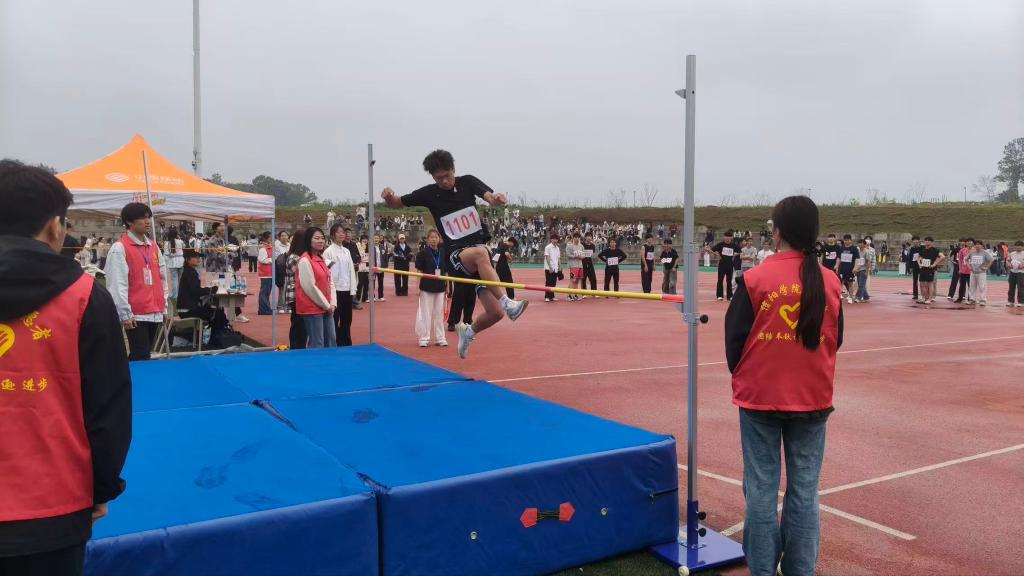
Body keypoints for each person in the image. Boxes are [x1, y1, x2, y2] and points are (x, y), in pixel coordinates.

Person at [0, 161, 131, 575]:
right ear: (55, 226)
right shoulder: (84, 297)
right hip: (52, 506)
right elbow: (108, 407)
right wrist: (102, 485)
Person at [725, 195, 843, 576]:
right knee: (805, 491)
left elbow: (734, 340)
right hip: (812, 398)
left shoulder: (755, 279)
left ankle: (762, 569)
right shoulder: (830, 281)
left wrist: (748, 375)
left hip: (760, 397)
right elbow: (836, 338)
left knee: (761, 490)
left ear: (776, 232)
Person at [381, 150, 527, 359]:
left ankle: (468, 332)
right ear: (433, 177)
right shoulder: (429, 193)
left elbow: (489, 197)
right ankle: (507, 301)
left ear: (453, 169)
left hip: (479, 259)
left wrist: (496, 199)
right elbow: (397, 202)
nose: (444, 181)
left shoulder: (468, 182)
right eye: (438, 178)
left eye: (447, 175)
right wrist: (389, 196)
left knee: (495, 313)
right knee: (481, 253)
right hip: (456, 255)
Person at [104, 202, 168, 361]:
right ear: (129, 222)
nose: (147, 221)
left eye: (148, 217)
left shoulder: (153, 247)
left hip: (155, 310)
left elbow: (162, 278)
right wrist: (125, 313)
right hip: (135, 313)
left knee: (145, 354)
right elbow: (117, 283)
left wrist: (164, 305)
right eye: (142, 218)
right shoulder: (119, 248)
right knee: (140, 354)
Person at [177, 248, 231, 347]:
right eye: (195, 257)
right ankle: (215, 340)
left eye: (199, 257)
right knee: (218, 314)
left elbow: (197, 290)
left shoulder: (190, 271)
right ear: (187, 259)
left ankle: (215, 339)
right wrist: (211, 289)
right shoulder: (189, 272)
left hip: (190, 307)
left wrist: (210, 289)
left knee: (218, 312)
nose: (198, 259)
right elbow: (196, 290)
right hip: (187, 309)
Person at [295, 227, 336, 348]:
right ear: (309, 240)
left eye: (322, 238)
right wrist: (326, 305)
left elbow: (330, 281)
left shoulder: (321, 258)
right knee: (317, 342)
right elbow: (309, 287)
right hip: (312, 308)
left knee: (331, 340)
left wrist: (333, 303)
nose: (321, 241)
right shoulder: (305, 260)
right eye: (317, 238)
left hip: (326, 306)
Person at [323, 224, 357, 346]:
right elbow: (327, 272)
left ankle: (346, 342)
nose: (342, 234)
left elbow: (351, 270)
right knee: (334, 318)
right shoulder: (328, 252)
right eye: (338, 232)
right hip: (335, 290)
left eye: (343, 232)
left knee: (347, 319)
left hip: (347, 289)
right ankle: (335, 342)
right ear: (333, 235)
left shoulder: (346, 251)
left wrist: (353, 288)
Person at [414, 229, 448, 347]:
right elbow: (419, 271)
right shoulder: (422, 253)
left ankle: (440, 338)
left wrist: (447, 285)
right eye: (431, 237)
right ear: (427, 240)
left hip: (440, 287)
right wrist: (418, 287)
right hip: (426, 287)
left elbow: (446, 271)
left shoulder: (443, 253)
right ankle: (424, 338)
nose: (434, 239)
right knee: (426, 313)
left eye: (436, 237)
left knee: (439, 314)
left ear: (439, 239)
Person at [283, 230, 308, 350]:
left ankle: (299, 347)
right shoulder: (294, 257)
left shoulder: (303, 256)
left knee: (302, 325)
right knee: (298, 324)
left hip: (302, 294)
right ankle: (296, 348)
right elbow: (302, 276)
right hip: (296, 294)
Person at [915, 237, 945, 305]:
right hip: (923, 268)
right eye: (925, 240)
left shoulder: (935, 250)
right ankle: (923, 298)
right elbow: (918, 257)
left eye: (928, 240)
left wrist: (934, 264)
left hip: (930, 269)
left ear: (932, 242)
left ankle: (929, 299)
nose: (927, 242)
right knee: (921, 283)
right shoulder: (923, 249)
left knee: (930, 284)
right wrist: (919, 264)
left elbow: (942, 257)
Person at [709, 231, 738, 301]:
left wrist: (735, 255)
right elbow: (711, 250)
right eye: (726, 236)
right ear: (724, 237)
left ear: (731, 237)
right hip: (722, 265)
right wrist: (717, 254)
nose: (727, 238)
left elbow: (740, 251)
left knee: (729, 281)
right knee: (720, 280)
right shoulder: (720, 244)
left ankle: (729, 296)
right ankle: (719, 295)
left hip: (730, 265)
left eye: (729, 237)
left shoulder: (734, 245)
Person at [967, 240, 994, 306]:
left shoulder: (984, 253)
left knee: (982, 287)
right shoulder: (972, 253)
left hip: (981, 273)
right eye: (976, 244)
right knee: (972, 286)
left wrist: (987, 267)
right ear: (974, 246)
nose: (977, 246)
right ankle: (972, 299)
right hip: (973, 272)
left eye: (979, 244)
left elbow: (991, 260)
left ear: (982, 246)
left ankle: (982, 300)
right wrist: (969, 266)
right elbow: (966, 259)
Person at [837, 234, 859, 305]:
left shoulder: (854, 249)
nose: (846, 241)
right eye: (845, 240)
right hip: (842, 269)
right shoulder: (841, 248)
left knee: (850, 283)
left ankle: (850, 297)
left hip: (850, 269)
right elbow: (838, 258)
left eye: (848, 240)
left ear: (851, 240)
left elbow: (857, 259)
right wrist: (837, 266)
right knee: (839, 283)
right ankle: (838, 296)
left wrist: (855, 267)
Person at [256, 232, 274, 315]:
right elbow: (262, 260)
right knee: (264, 292)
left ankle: (265, 308)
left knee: (266, 292)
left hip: (269, 273)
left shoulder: (269, 247)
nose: (272, 238)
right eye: (270, 237)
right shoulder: (263, 249)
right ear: (266, 238)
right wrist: (273, 259)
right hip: (266, 273)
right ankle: (264, 309)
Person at [165, 227, 185, 299]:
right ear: (176, 234)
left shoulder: (167, 243)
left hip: (172, 262)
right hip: (181, 261)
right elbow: (184, 247)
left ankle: (175, 295)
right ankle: (181, 294)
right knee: (180, 279)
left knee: (174, 279)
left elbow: (166, 253)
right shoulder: (180, 241)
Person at [565, 233, 584, 301]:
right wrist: (575, 256)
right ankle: (569, 295)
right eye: (575, 237)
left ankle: (575, 295)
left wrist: (581, 257)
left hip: (580, 266)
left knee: (577, 280)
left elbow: (583, 255)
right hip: (573, 266)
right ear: (573, 238)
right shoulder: (570, 246)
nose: (577, 238)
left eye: (578, 237)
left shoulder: (581, 246)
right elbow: (568, 255)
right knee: (572, 280)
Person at [543, 233, 561, 302]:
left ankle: (552, 296)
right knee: (548, 282)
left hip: (555, 268)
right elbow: (547, 257)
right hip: (548, 268)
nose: (555, 240)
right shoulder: (548, 247)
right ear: (551, 240)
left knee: (553, 283)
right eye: (554, 239)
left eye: (556, 239)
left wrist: (560, 266)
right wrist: (550, 267)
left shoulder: (557, 248)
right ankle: (547, 296)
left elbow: (558, 258)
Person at [853, 238, 872, 303]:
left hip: (863, 270)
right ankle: (866, 297)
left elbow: (868, 262)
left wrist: (867, 271)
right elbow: (856, 260)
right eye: (859, 243)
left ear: (864, 244)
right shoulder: (857, 251)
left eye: (861, 243)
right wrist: (855, 269)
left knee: (861, 284)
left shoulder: (867, 252)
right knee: (860, 284)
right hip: (858, 269)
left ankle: (858, 297)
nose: (860, 244)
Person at [1007, 240, 1024, 307]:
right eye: (1017, 246)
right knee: (1011, 287)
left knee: (1021, 287)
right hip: (1012, 272)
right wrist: (1009, 264)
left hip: (1021, 273)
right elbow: (1008, 261)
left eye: (1020, 246)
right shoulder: (1012, 253)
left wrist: (1022, 266)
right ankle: (1010, 301)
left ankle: (1021, 302)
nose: (1018, 247)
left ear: (1023, 247)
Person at [372, 234, 389, 301]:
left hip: (381, 267)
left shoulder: (382, 247)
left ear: (379, 239)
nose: (376, 239)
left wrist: (386, 266)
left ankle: (381, 296)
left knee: (381, 282)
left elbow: (385, 257)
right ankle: (372, 296)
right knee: (372, 282)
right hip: (373, 267)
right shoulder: (370, 247)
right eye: (375, 238)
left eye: (377, 238)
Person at [356, 236, 370, 303]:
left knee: (367, 283)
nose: (365, 241)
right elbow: (358, 257)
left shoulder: (369, 247)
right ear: (361, 240)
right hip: (361, 267)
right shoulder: (358, 247)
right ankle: (358, 298)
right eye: (363, 239)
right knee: (360, 283)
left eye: (366, 239)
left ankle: (365, 298)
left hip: (368, 267)